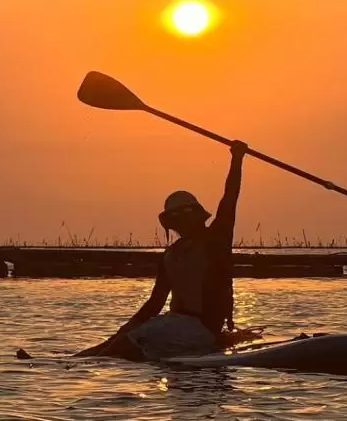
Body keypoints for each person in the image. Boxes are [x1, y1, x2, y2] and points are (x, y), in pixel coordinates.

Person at [74, 140, 249, 361]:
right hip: (175, 324)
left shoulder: (216, 239)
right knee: (120, 338)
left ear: (194, 216)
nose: (179, 225)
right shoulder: (171, 255)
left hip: (202, 329)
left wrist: (237, 159)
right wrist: (128, 326)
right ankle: (73, 361)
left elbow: (230, 199)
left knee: (126, 342)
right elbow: (155, 303)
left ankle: (87, 362)